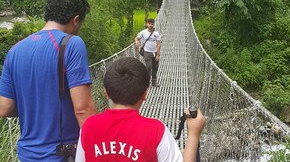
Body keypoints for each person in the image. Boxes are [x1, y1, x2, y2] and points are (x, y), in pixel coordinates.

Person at [0, 0, 97, 161]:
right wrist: (99, 149)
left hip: (27, 155)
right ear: (75, 20)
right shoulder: (71, 44)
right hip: (62, 154)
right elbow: (83, 110)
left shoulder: (15, 51)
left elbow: (4, 108)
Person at [75, 57, 205, 162]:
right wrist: (193, 134)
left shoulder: (88, 127)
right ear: (146, 94)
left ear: (106, 93)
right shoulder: (156, 131)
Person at [134, 18, 161, 87]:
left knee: (155, 68)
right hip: (147, 52)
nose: (150, 25)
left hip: (154, 52)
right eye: (149, 24)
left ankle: (154, 82)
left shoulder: (156, 33)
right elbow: (137, 38)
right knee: (148, 67)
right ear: (147, 24)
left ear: (153, 25)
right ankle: (147, 82)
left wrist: (158, 55)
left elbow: (158, 44)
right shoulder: (143, 32)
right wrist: (137, 41)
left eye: (152, 24)